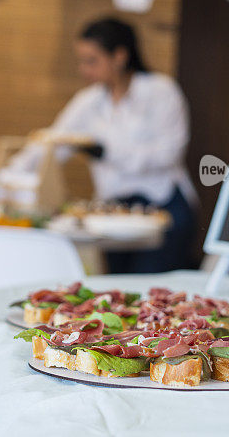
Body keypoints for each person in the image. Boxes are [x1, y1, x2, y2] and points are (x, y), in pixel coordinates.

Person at [10, 17, 197, 273]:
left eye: (92, 61)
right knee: (119, 291)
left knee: (155, 294)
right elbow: (53, 143)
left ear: (119, 57)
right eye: (82, 61)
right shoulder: (88, 101)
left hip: (163, 205)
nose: (83, 69)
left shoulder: (161, 92)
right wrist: (10, 174)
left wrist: (105, 151)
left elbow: (168, 154)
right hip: (112, 214)